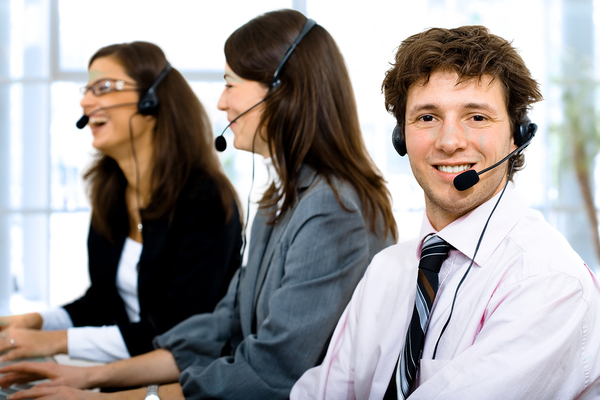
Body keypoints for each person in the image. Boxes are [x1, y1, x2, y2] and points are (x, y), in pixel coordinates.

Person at [0, 9, 397, 400]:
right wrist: (89, 378)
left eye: (230, 83)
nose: (221, 102)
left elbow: (273, 371)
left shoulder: (333, 209)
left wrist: (121, 397)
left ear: (280, 89)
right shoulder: (277, 202)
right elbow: (221, 326)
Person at [290, 25, 600, 399]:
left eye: (477, 117)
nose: (450, 142)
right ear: (401, 138)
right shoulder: (387, 270)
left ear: (517, 136)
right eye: (427, 117)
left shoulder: (548, 282)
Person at [0, 42, 242, 364]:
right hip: (120, 376)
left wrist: (54, 343)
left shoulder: (206, 200)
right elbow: (103, 303)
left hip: (183, 382)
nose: (86, 101)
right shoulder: (113, 192)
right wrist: (38, 323)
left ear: (151, 101)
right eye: (87, 89)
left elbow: (175, 329)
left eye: (104, 88)